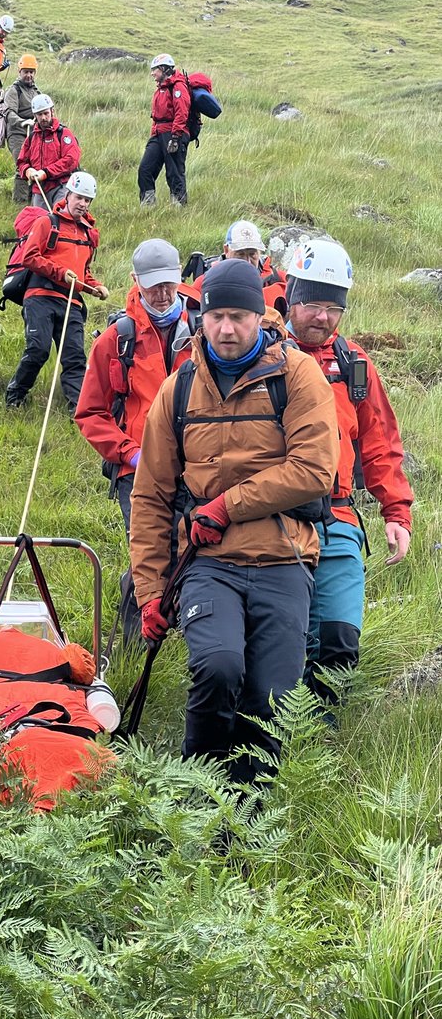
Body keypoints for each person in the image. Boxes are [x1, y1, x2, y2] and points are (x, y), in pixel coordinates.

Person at [130, 260, 340, 783]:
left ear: (261, 316)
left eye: (239, 317)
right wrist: (150, 592)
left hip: (284, 557)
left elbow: (315, 470)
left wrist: (226, 505)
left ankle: (248, 812)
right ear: (200, 318)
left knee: (272, 695)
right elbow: (151, 496)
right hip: (208, 563)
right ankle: (197, 792)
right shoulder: (177, 390)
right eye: (217, 316)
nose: (227, 329)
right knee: (218, 667)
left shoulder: (298, 375)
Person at [285, 239, 413, 705]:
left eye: (333, 307)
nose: (322, 317)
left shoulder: (355, 365)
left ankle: (319, 745)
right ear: (291, 296)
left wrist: (396, 512)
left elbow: (380, 443)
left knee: (339, 644)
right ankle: (270, 743)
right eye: (312, 304)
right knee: (282, 646)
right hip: (271, 519)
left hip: (338, 519)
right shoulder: (258, 354)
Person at [75, 239, 193, 642]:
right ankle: (131, 645)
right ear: (135, 282)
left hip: (195, 468)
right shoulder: (116, 340)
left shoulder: (203, 330)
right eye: (153, 285)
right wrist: (132, 454)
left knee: (187, 551)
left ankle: (173, 633)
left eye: (169, 284)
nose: (162, 293)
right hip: (137, 473)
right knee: (149, 557)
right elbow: (90, 412)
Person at [5, 171, 109, 414]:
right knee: (38, 350)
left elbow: (83, 272)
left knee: (75, 358)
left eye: (87, 200)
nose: (83, 204)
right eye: (79, 198)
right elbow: (31, 257)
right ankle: (15, 396)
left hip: (71, 302)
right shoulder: (47, 223)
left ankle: (79, 412)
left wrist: (96, 286)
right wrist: (60, 273)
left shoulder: (89, 234)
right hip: (40, 297)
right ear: (68, 195)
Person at [186, 221, 288, 316]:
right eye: (240, 254)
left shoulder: (280, 279)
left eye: (252, 254)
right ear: (226, 250)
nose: (247, 261)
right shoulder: (204, 283)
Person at [138, 53, 191, 208]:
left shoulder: (178, 86)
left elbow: (182, 113)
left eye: (155, 69)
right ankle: (148, 207)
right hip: (158, 133)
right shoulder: (161, 88)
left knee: (174, 172)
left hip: (173, 134)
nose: (152, 73)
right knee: (145, 169)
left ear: (163, 69)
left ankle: (179, 208)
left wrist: (175, 137)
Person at [17, 94, 82, 209]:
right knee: (40, 222)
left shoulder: (63, 133)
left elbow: (71, 160)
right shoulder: (31, 138)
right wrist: (27, 170)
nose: (43, 118)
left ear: (52, 111)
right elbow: (21, 162)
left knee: (61, 220)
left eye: (46, 113)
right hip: (39, 189)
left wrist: (46, 173)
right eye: (39, 114)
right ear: (35, 116)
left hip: (61, 186)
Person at [0, 54, 41, 203]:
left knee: (37, 166)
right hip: (17, 133)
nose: (28, 75)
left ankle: (32, 199)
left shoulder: (36, 92)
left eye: (31, 72)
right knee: (22, 166)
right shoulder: (14, 90)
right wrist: (23, 122)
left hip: (34, 134)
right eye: (25, 72)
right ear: (19, 72)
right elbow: (8, 112)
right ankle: (19, 203)